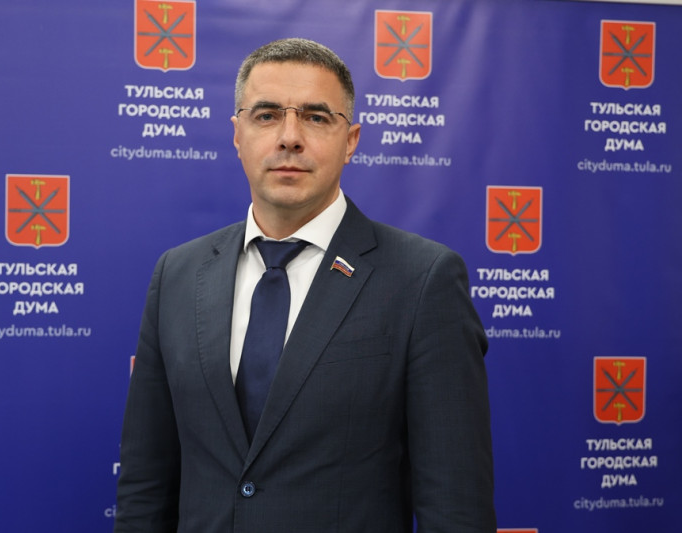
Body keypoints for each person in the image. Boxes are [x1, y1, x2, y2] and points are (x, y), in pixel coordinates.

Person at [114, 38, 495, 533]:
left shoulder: (422, 280)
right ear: (237, 134)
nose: (289, 137)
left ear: (351, 140)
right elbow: (145, 488)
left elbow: (456, 507)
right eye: (267, 115)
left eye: (316, 117)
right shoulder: (178, 275)